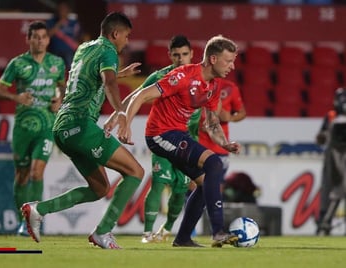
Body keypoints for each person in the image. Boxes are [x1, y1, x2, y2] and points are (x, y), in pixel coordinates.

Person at [20, 11, 144, 250]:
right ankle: (103, 232)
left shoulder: (84, 48)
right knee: (135, 172)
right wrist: (120, 113)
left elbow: (88, 76)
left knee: (99, 188)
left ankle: (39, 209)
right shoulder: (108, 50)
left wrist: (119, 73)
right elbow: (108, 82)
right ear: (115, 33)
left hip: (62, 127)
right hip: (80, 124)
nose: (127, 42)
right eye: (126, 36)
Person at [121, 34, 241, 247]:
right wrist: (125, 124)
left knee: (204, 183)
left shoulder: (213, 86)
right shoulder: (183, 76)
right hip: (159, 134)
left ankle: (183, 238)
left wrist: (224, 144)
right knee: (213, 163)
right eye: (228, 60)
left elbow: (212, 123)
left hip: (178, 134)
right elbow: (141, 95)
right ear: (213, 59)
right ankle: (218, 231)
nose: (232, 66)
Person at [108, 35, 195, 243]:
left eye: (184, 54)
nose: (180, 59)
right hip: (163, 135)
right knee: (159, 182)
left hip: (188, 140)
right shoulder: (161, 76)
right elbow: (136, 96)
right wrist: (118, 118)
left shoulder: (199, 78)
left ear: (192, 54)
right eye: (176, 55)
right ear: (170, 56)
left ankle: (167, 229)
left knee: (181, 188)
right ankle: (147, 233)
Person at [0, 21, 66, 236]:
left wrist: (59, 100)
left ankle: (34, 219)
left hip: (46, 125)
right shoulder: (17, 64)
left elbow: (62, 86)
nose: (40, 40)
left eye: (43, 37)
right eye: (35, 37)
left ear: (48, 40)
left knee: (36, 172)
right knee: (22, 175)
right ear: (28, 39)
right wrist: (16, 96)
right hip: (23, 128)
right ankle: (22, 221)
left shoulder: (57, 63)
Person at [316, 87, 346, 236]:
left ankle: (325, 223)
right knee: (331, 190)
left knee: (335, 190)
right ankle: (324, 223)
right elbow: (320, 137)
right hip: (333, 156)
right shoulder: (331, 116)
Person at [46, 0, 82, 69]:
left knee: (72, 67)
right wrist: (59, 24)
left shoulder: (73, 23)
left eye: (64, 9)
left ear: (68, 11)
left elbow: (79, 37)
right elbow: (48, 35)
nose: (62, 12)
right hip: (55, 51)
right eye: (60, 9)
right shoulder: (52, 21)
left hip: (69, 51)